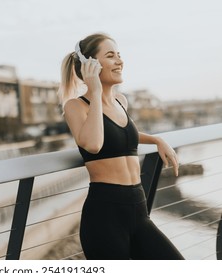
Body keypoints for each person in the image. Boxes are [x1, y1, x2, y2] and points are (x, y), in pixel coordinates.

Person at [58, 33, 184, 260]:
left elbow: (121, 135)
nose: (120, 61)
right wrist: (95, 91)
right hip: (105, 216)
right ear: (91, 66)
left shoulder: (120, 101)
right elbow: (93, 144)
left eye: (119, 55)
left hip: (138, 209)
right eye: (110, 56)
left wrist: (157, 140)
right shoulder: (76, 106)